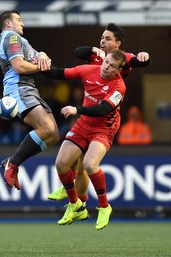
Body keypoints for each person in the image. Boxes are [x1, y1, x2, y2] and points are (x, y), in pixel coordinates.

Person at [47, 23, 150, 205]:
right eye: (102, 37)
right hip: (88, 110)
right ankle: (74, 195)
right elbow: (78, 52)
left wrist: (145, 56)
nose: (103, 41)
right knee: (72, 158)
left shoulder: (121, 59)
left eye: (108, 39)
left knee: (85, 163)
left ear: (117, 44)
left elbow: (139, 61)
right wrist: (93, 49)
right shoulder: (96, 56)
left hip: (104, 115)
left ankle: (84, 202)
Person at [44, 50, 127, 230]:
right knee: (61, 163)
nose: (106, 67)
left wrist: (76, 110)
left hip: (104, 128)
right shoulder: (89, 70)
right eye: (106, 62)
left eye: (112, 66)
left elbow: (102, 109)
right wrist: (38, 65)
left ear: (118, 71)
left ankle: (104, 206)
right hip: (83, 126)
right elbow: (60, 73)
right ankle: (76, 205)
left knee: (89, 165)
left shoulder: (118, 87)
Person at [0, 10, 60, 190]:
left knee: (54, 135)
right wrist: (40, 66)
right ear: (8, 23)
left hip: (29, 89)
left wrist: (42, 54)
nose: (22, 23)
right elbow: (19, 66)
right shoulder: (11, 37)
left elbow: (38, 57)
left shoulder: (20, 40)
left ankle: (12, 161)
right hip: (18, 89)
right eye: (18, 20)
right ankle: (13, 164)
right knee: (46, 128)